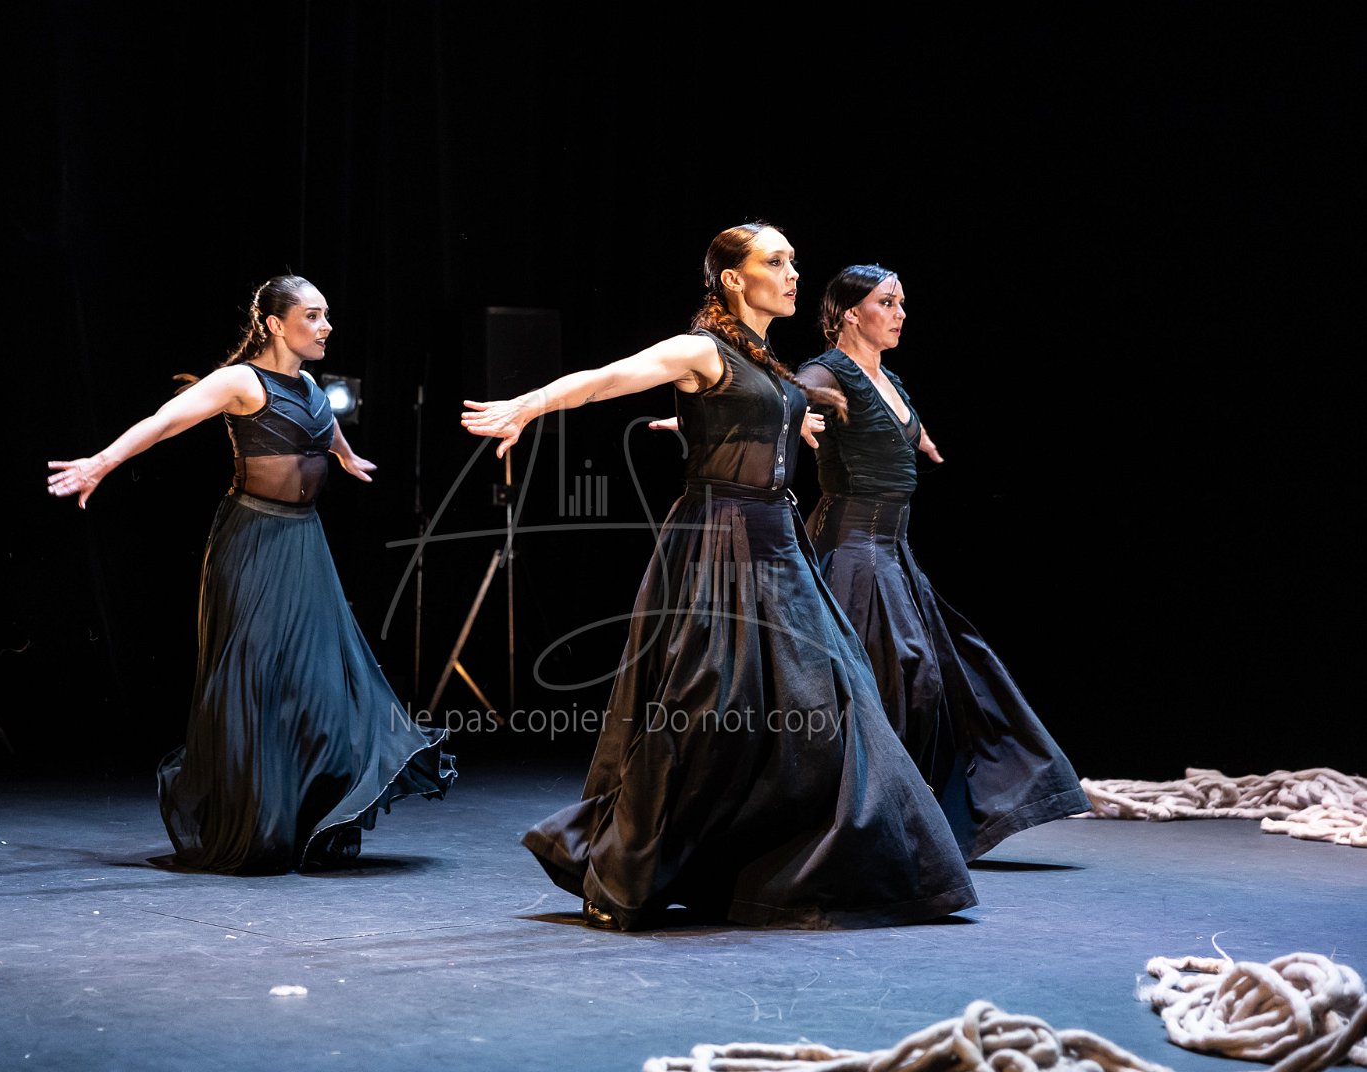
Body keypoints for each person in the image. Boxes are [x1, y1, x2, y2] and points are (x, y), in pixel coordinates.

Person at [461, 224, 975, 930]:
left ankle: (800, 867)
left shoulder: (768, 361)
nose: (792, 274)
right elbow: (608, 378)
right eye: (775, 262)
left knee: (836, 695)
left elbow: (762, 420)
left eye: (793, 261)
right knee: (708, 706)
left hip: (780, 541)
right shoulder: (701, 349)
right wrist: (529, 404)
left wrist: (778, 427)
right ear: (733, 278)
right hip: (719, 541)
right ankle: (628, 869)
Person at [48, 275, 454, 873]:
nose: (326, 326)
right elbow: (164, 421)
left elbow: (320, 421)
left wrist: (344, 455)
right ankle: (255, 825)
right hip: (254, 539)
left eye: (326, 315)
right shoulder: (242, 381)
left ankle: (304, 818)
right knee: (256, 678)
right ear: (274, 324)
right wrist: (102, 463)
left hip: (305, 540)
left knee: (318, 679)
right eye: (312, 316)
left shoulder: (309, 383)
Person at [799, 264, 1088, 860]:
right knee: (892, 680)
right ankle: (859, 821)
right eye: (887, 302)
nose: (900, 314)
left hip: (893, 551)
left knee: (934, 678)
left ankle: (901, 818)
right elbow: (780, 397)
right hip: (852, 550)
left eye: (902, 302)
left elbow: (895, 420)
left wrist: (919, 437)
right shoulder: (827, 373)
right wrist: (746, 417)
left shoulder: (888, 379)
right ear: (851, 312)